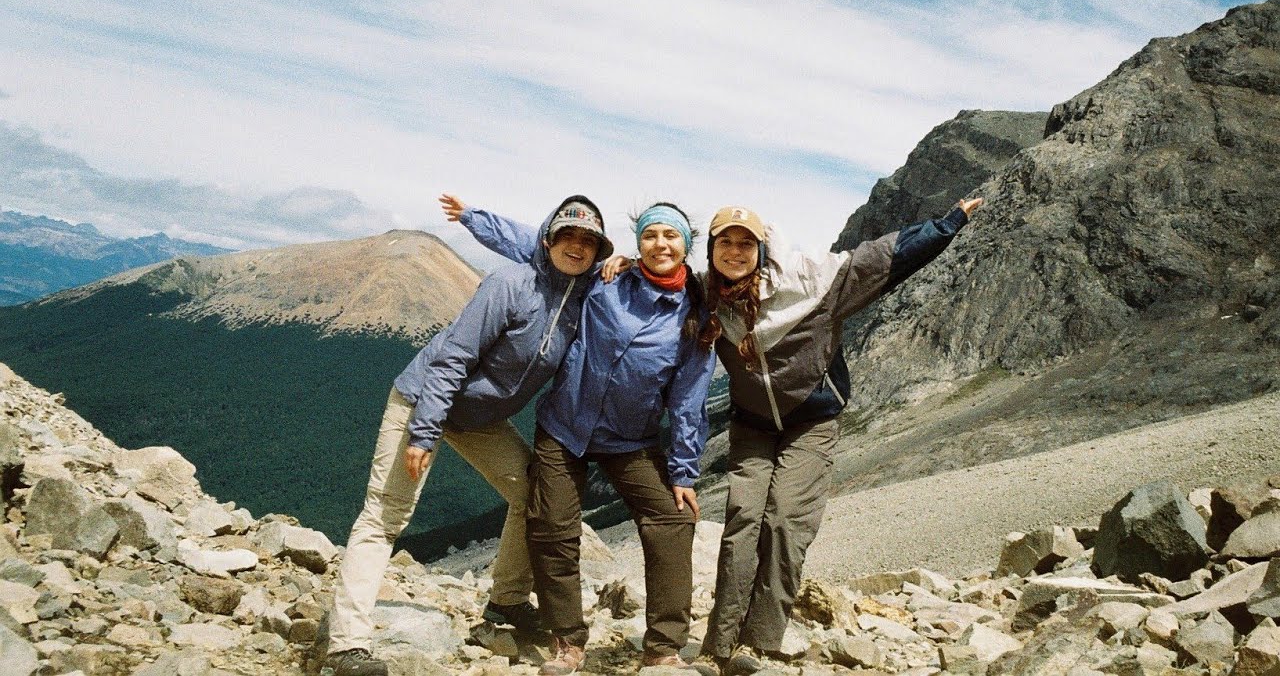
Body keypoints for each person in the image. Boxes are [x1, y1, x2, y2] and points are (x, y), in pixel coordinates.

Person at [323, 195, 613, 676]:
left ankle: (507, 602)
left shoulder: (584, 302)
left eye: (589, 240)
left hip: (478, 419)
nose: (577, 246)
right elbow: (452, 357)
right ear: (548, 240)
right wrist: (423, 432)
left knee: (533, 496)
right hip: (423, 402)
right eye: (567, 235)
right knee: (385, 515)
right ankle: (345, 645)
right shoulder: (511, 284)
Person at [693, 199, 985, 674]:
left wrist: (948, 223)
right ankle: (717, 645)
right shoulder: (704, 291)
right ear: (711, 249)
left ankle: (758, 642)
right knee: (744, 520)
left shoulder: (812, 280)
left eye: (745, 242)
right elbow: (654, 280)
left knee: (786, 523)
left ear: (762, 249)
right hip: (752, 427)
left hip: (811, 423)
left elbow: (883, 257)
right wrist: (619, 264)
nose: (734, 250)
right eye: (724, 242)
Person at [455, 200, 717, 675]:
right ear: (638, 241)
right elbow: (537, 246)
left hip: (630, 438)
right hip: (565, 427)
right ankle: (567, 641)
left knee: (672, 520)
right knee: (553, 525)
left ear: (686, 246)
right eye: (651, 234)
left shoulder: (695, 316)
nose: (660, 244)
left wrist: (682, 471)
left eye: (671, 236)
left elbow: (688, 400)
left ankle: (663, 647)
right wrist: (474, 218)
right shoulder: (603, 276)